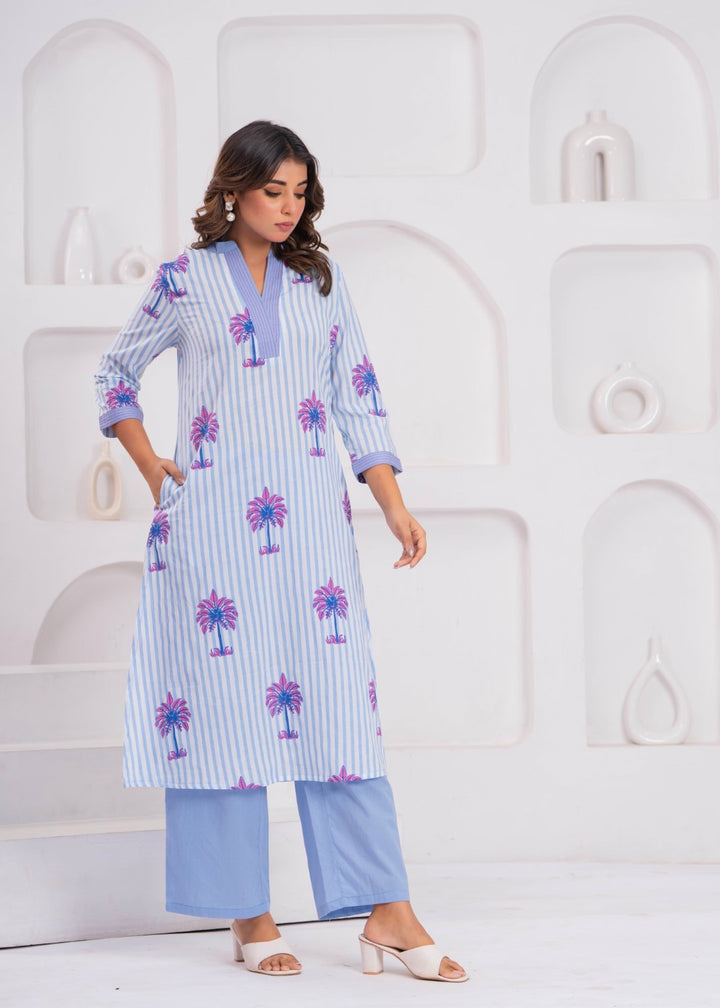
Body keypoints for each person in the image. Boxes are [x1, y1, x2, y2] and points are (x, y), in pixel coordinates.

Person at [92, 120, 467, 983]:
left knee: (339, 711)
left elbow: (357, 396)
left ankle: (387, 907)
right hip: (211, 533)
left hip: (312, 536)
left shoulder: (319, 283)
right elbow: (115, 374)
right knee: (225, 715)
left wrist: (393, 506)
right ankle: (248, 913)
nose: (290, 207)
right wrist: (151, 466)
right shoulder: (184, 281)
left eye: (300, 192)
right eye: (273, 191)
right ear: (233, 191)